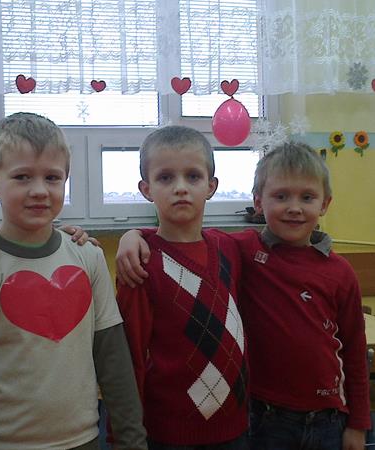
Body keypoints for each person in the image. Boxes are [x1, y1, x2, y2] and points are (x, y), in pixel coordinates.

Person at [117, 142, 370, 450]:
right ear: (258, 202)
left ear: (325, 204)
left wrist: (359, 422)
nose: (294, 207)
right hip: (262, 416)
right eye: (281, 196)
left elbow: (355, 350)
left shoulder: (340, 272)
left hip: (327, 417)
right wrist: (133, 235)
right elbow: (181, 240)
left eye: (307, 197)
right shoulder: (244, 249)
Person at [0, 112, 147, 449]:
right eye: (22, 177)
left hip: (83, 440)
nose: (39, 190)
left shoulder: (88, 256)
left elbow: (113, 359)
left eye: (52, 177)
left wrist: (132, 441)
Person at [116, 125, 248, 449]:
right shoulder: (141, 264)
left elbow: (282, 236)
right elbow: (129, 357)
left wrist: (136, 232)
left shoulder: (230, 248)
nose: (180, 188)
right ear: (146, 189)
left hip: (236, 428)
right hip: (169, 434)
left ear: (211, 186)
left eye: (193, 176)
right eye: (165, 178)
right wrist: (122, 436)